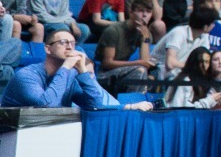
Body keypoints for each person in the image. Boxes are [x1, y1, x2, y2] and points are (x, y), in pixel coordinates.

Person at [1, 28, 149, 109]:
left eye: (72, 43)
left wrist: (83, 72)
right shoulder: (26, 75)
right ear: (48, 49)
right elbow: (46, 105)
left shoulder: (70, 77)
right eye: (63, 42)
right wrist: (65, 67)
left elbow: (97, 105)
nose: (70, 46)